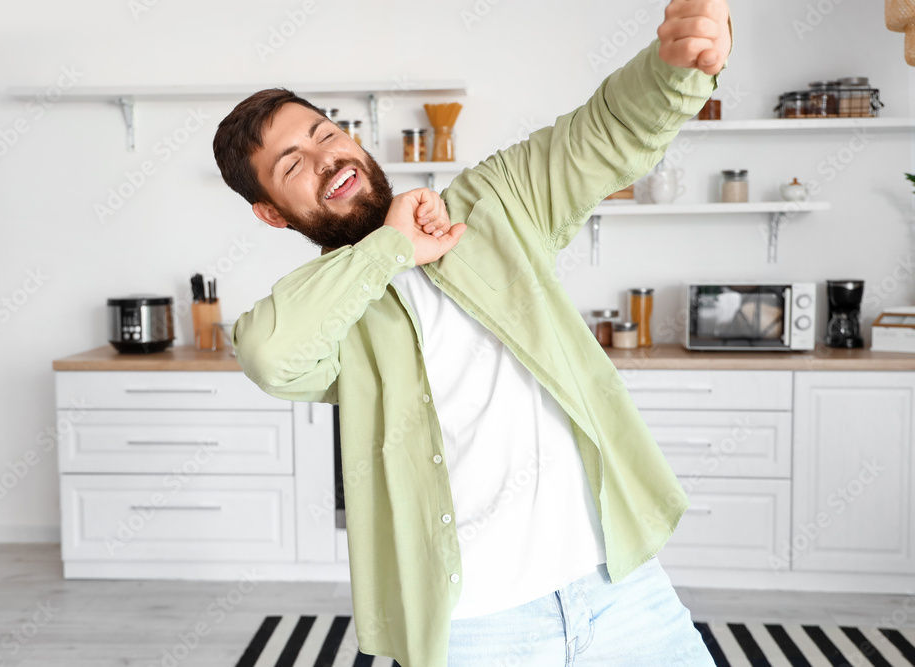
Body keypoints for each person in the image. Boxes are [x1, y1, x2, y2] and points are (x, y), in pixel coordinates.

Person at [213, 1, 732, 664]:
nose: (324, 157)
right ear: (272, 214)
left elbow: (604, 133)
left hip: (623, 588)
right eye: (291, 165)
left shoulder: (492, 204)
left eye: (322, 133)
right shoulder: (336, 319)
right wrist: (390, 249)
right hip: (478, 629)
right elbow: (267, 352)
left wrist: (681, 64)